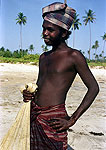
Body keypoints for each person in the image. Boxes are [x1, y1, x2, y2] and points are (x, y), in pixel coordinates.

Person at [23, 2, 99, 150]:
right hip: (35, 116)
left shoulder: (74, 56)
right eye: (44, 29)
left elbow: (93, 88)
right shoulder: (43, 57)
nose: (45, 33)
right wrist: (29, 95)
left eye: (50, 30)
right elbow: (42, 85)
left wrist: (72, 119)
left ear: (63, 33)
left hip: (54, 119)